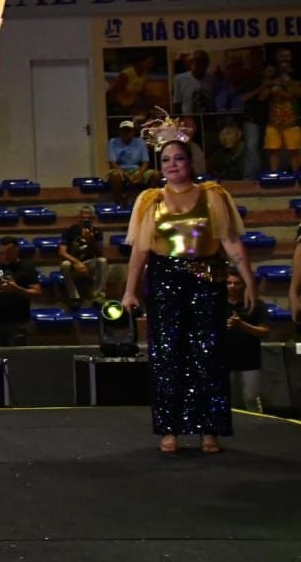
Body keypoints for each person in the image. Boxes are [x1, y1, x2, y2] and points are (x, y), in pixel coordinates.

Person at [120, 123, 256, 455]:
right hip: (165, 280)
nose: (172, 165)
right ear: (160, 164)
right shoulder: (150, 200)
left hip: (206, 281)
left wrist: (249, 280)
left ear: (190, 161)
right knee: (167, 355)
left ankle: (210, 430)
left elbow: (231, 242)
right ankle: (171, 430)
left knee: (208, 354)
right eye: (166, 160)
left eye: (178, 158)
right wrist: (130, 289)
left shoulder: (213, 196)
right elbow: (140, 250)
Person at [222, 272, 269, 415]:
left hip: (250, 360)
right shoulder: (216, 304)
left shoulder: (256, 304)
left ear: (244, 285)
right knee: (227, 400)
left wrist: (241, 325)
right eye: (229, 283)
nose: (232, 286)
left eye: (236, 283)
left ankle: (259, 425)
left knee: (251, 397)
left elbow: (264, 332)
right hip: (223, 360)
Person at [0, 236, 40, 346]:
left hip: (18, 323)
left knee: (17, 358)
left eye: (9, 253)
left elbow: (37, 293)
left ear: (16, 250)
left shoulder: (27, 268)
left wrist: (17, 289)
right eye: (2, 253)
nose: (5, 257)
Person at [58, 205, 110, 306]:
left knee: (103, 261)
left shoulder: (97, 232)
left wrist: (91, 240)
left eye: (88, 218)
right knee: (65, 265)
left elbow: (99, 252)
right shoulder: (70, 231)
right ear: (79, 218)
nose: (86, 220)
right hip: (74, 264)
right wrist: (77, 263)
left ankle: (97, 295)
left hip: (89, 264)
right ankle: (74, 297)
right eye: (83, 218)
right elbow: (62, 252)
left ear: (93, 219)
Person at [259, 48, 299, 173]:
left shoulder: (297, 74)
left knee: (294, 150)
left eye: (288, 55)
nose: (285, 58)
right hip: (274, 121)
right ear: (277, 58)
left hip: (292, 120)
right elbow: (261, 98)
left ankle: (297, 177)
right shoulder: (271, 75)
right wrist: (270, 84)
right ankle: (274, 176)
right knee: (273, 150)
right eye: (282, 56)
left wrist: (290, 82)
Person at [106, 119, 154, 202]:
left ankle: (149, 201)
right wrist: (126, 176)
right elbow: (112, 163)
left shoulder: (140, 142)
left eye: (128, 130)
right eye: (123, 131)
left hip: (136, 170)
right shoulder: (113, 142)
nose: (126, 133)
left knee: (155, 174)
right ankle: (120, 202)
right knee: (115, 175)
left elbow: (145, 162)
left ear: (133, 132)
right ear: (119, 132)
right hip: (119, 170)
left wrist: (139, 175)